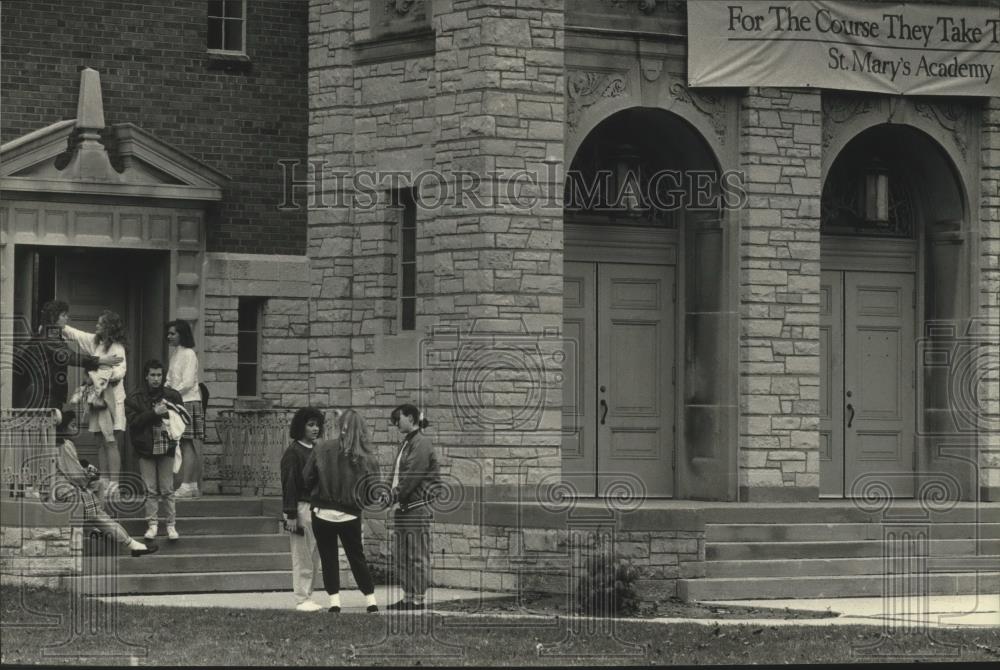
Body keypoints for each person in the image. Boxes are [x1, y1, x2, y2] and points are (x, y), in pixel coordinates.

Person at [302, 408, 381, 614]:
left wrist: (318, 493)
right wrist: (359, 502)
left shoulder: (321, 448)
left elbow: (307, 478)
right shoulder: (367, 457)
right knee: (357, 556)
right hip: (350, 513)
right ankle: (370, 601)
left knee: (329, 557)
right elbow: (374, 491)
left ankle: (334, 602)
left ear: (341, 427)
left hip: (323, 512)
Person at [51, 411, 157, 557]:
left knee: (99, 485)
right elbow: (76, 475)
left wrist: (89, 475)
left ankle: (94, 524)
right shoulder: (63, 446)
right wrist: (89, 474)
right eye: (72, 425)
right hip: (66, 489)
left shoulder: (61, 443)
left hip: (65, 485)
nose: (76, 429)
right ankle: (130, 543)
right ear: (62, 428)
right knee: (97, 511)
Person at [12, 300, 122, 411]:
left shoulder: (48, 335)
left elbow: (74, 338)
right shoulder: (49, 338)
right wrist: (100, 360)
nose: (67, 318)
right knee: (46, 426)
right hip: (45, 395)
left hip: (43, 393)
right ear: (53, 317)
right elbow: (70, 357)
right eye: (63, 315)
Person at [385, 404, 440, 611]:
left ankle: (418, 598)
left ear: (410, 417)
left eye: (398, 420)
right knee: (402, 554)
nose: (397, 424)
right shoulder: (406, 443)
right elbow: (396, 473)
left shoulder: (422, 443)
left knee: (416, 554)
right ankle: (408, 596)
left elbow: (411, 477)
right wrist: (387, 495)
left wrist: (392, 496)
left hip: (417, 508)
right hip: (403, 507)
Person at [63, 310, 127, 486]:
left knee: (111, 441)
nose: (96, 325)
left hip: (112, 401)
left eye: (100, 323)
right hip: (97, 400)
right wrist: (59, 325)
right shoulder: (96, 343)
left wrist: (94, 373)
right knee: (100, 440)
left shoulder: (117, 348)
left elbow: (119, 373)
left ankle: (114, 483)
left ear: (109, 327)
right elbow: (77, 335)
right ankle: (105, 480)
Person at [124, 360, 182, 543]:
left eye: (159, 375)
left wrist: (167, 415)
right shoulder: (134, 398)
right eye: (153, 375)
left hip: (166, 446)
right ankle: (153, 525)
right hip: (145, 448)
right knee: (150, 489)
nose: (156, 379)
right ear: (146, 376)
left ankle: (171, 525)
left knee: (167, 488)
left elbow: (181, 419)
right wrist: (153, 413)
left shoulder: (172, 395)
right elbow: (133, 423)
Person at [280, 407, 325, 612]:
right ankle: (301, 598)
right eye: (310, 424)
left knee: (313, 556)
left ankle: (308, 595)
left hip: (316, 509)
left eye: (317, 425)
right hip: (300, 508)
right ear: (301, 427)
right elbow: (289, 484)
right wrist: (290, 514)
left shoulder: (317, 450)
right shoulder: (293, 453)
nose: (315, 429)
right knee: (302, 555)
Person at [165, 319, 205, 498]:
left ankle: (188, 484)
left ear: (182, 334)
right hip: (177, 402)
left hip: (187, 401)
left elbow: (188, 383)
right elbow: (169, 378)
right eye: (169, 333)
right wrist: (164, 392)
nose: (169, 336)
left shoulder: (189, 354)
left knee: (187, 442)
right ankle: (192, 484)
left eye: (173, 333)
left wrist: (172, 394)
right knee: (183, 442)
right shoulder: (175, 354)